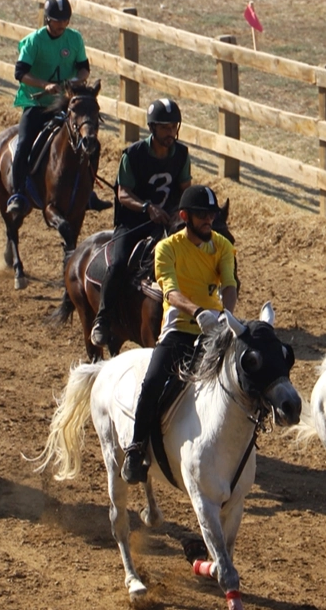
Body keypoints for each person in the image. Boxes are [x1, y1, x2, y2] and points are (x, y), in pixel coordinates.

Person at [121, 185, 238, 484]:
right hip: (179, 331)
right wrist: (198, 312)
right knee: (152, 382)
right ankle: (136, 448)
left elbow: (229, 284)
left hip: (215, 330)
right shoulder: (167, 249)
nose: (208, 221)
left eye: (211, 215)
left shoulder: (223, 246)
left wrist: (226, 314)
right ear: (185, 217)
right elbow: (170, 292)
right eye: (201, 216)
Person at [89, 98, 192, 348]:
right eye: (166, 128)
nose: (171, 133)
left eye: (174, 127)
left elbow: (184, 189)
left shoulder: (182, 153)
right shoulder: (132, 154)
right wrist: (147, 208)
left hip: (166, 221)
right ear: (153, 128)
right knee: (120, 262)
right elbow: (122, 193)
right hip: (133, 223)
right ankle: (103, 319)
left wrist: (175, 212)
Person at [5, 0, 109, 216]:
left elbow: (83, 68)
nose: (62, 24)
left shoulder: (74, 39)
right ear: (47, 19)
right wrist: (44, 85)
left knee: (90, 142)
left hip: (65, 102)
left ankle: (88, 191)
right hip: (37, 103)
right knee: (24, 143)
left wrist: (76, 80)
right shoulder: (34, 41)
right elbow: (20, 72)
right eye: (57, 20)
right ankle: (18, 193)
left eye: (66, 20)